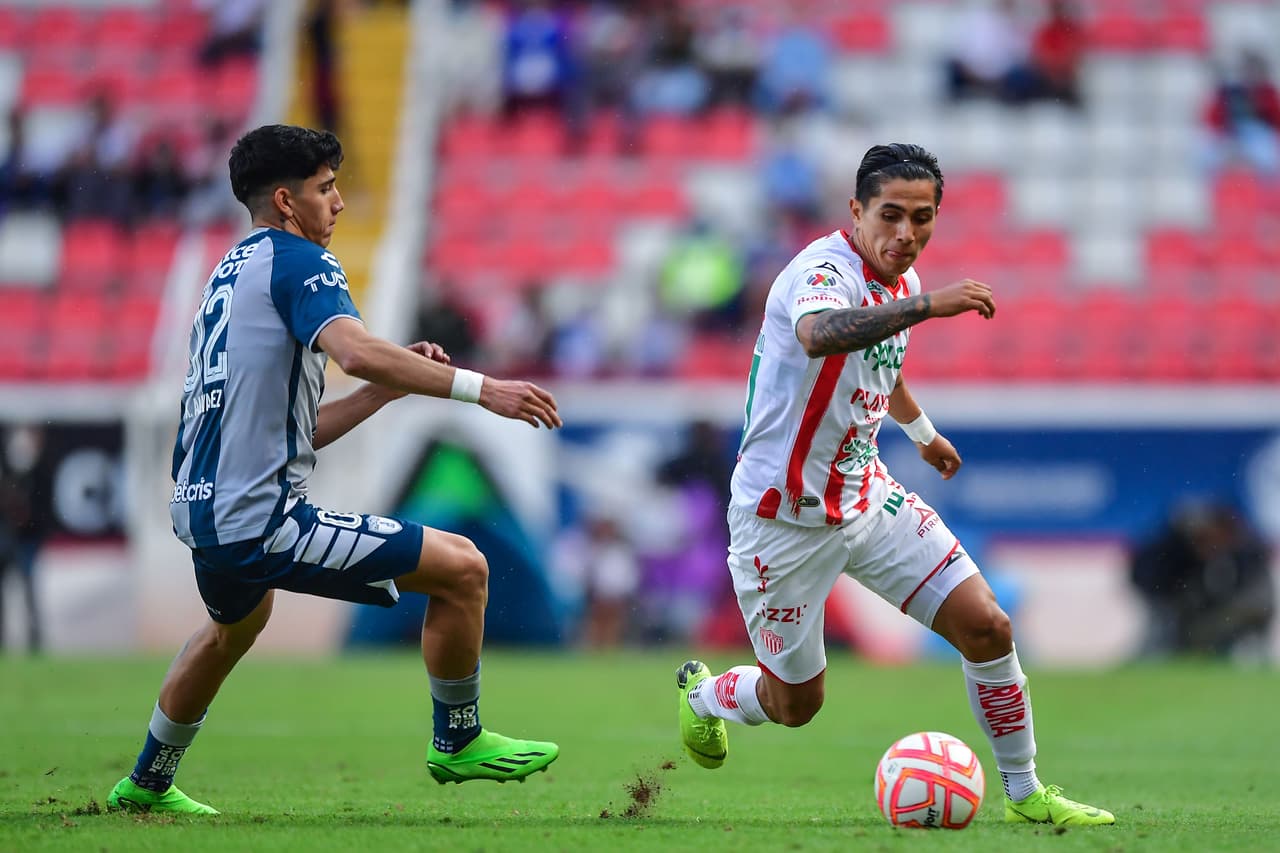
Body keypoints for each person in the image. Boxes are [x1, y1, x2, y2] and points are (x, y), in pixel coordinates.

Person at [106, 125, 563, 816]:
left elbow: (293, 430)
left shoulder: (229, 276)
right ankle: (458, 739)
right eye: (326, 189)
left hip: (203, 511)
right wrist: (482, 388)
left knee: (233, 627)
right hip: (258, 519)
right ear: (287, 202)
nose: (339, 203)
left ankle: (145, 780)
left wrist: (388, 390)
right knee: (465, 566)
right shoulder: (301, 264)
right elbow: (355, 350)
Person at [675, 143, 1115, 827]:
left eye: (923, 218)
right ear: (856, 210)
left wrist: (922, 433)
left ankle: (1026, 791)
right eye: (891, 215)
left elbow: (884, 367)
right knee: (798, 704)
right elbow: (823, 335)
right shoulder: (821, 272)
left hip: (866, 497)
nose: (906, 234)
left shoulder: (902, 284)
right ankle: (707, 697)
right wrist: (933, 306)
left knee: (988, 624)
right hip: (780, 519)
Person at [1129, 500, 1274, 659]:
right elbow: (1150, 579)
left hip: (1232, 610)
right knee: (1164, 627)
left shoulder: (1244, 553)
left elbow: (1250, 598)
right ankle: (1156, 657)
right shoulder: (1173, 552)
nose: (1214, 545)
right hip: (1162, 597)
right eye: (1207, 540)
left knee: (1232, 621)